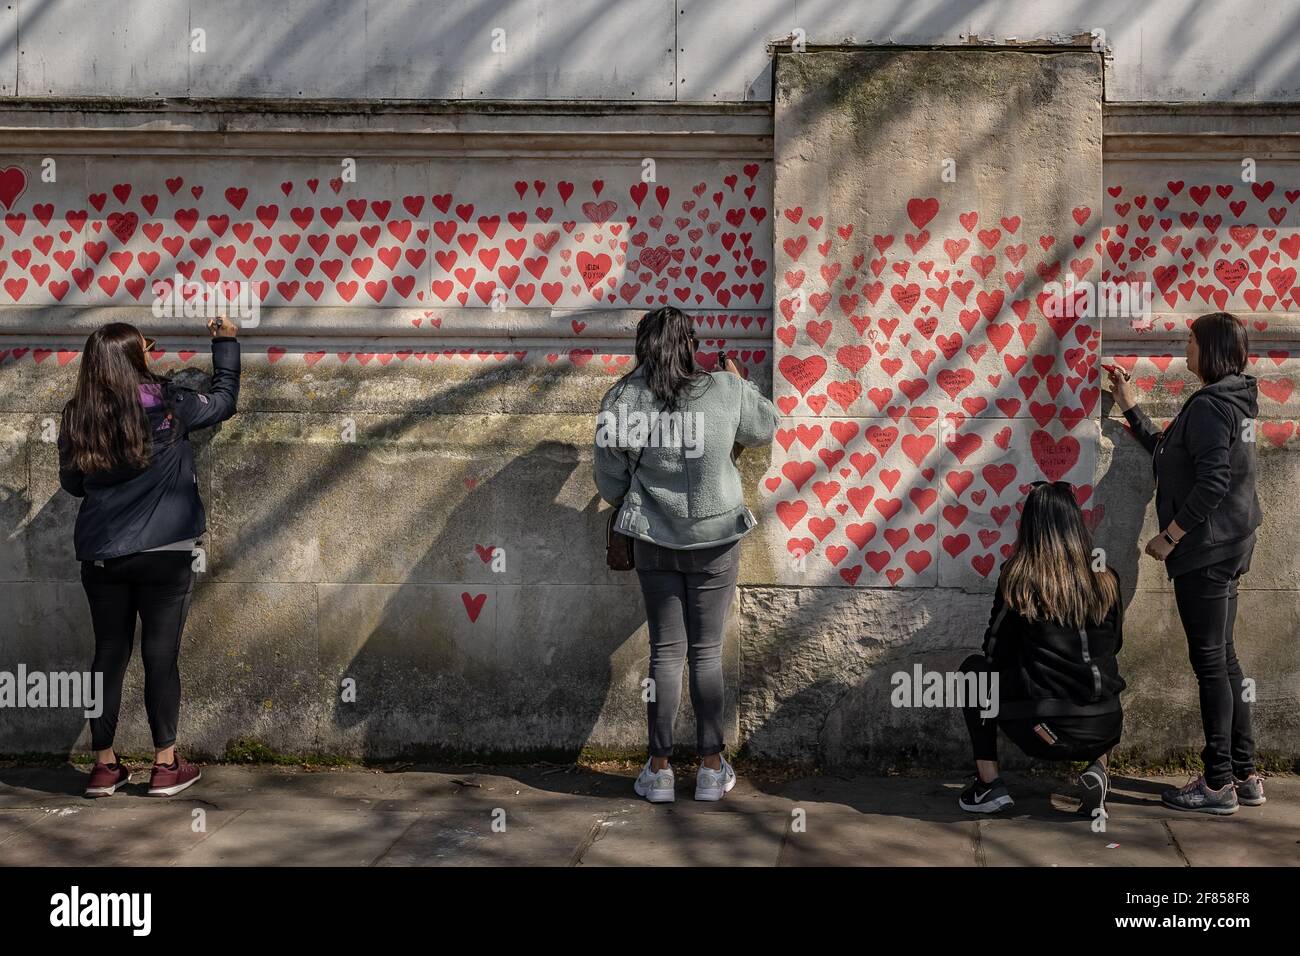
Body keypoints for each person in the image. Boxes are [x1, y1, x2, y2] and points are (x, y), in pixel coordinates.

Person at [594, 306, 777, 803]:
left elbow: (609, 479)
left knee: (666, 654)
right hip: (716, 540)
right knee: (706, 652)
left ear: (643, 346)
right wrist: (741, 380)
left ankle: (658, 772)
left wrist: (637, 495)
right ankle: (712, 769)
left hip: (654, 540)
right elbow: (765, 428)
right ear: (691, 345)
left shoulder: (623, 399)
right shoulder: (724, 388)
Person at [59, 317, 241, 798]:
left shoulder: (77, 414)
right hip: (164, 553)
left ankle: (103, 767)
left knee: (107, 654)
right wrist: (225, 343)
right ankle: (165, 766)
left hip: (101, 555)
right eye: (148, 347)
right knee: (161, 656)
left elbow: (74, 484)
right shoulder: (168, 402)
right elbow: (224, 403)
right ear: (136, 358)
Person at [1106, 312, 1264, 815]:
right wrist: (1132, 410)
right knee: (1225, 659)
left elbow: (1214, 482)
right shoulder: (1234, 401)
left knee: (1211, 666)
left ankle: (1218, 785)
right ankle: (1246, 773)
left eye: (1191, 342)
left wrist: (1170, 537)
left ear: (1211, 349)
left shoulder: (1210, 408)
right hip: (1230, 545)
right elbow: (1171, 453)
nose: (1185, 350)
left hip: (1207, 551)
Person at [957, 481, 1125, 817]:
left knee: (973, 672)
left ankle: (989, 786)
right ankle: (1098, 769)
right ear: (1076, 522)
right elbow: (1114, 644)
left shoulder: (1018, 577)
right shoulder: (1106, 577)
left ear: (1030, 525)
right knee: (1102, 674)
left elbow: (994, 651)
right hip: (1105, 726)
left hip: (1043, 732)